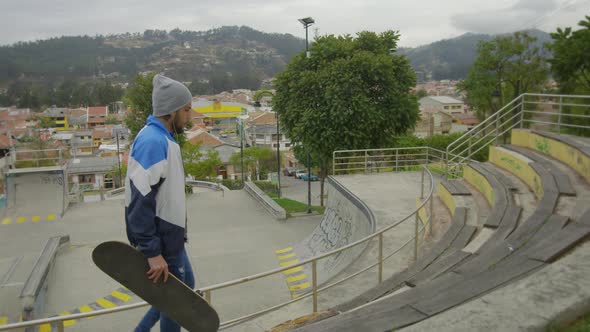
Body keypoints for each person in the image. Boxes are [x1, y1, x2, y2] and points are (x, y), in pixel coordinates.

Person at [125, 74, 194, 332]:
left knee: (182, 289)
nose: (190, 116)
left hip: (170, 238)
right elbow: (139, 202)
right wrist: (152, 253)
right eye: (186, 110)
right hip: (161, 241)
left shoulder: (161, 137)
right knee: (174, 301)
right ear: (172, 111)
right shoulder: (153, 142)